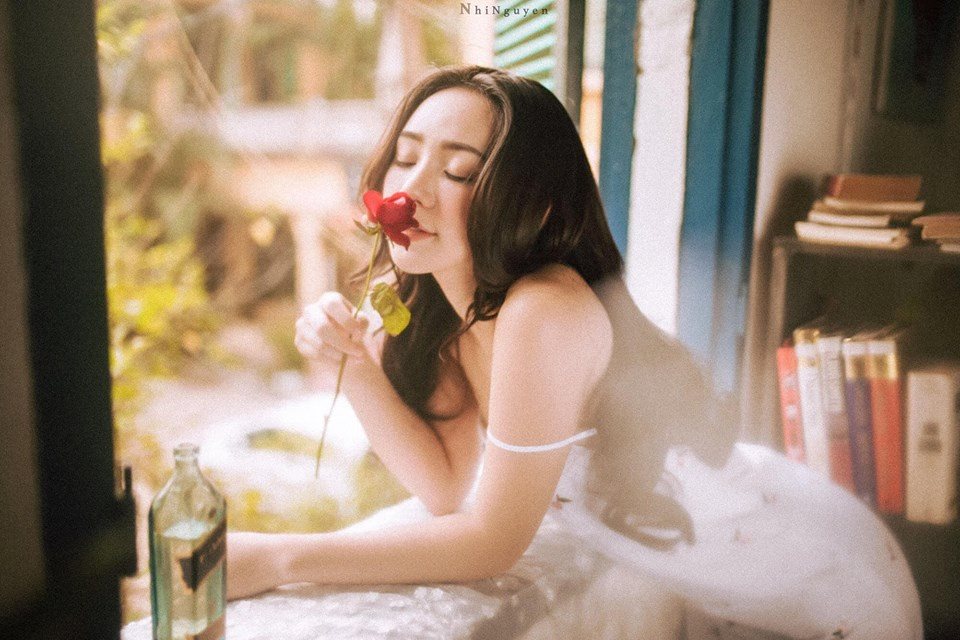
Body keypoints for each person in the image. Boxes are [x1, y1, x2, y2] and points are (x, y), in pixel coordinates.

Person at [226, 65, 921, 639]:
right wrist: (353, 368)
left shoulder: (544, 311)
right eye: (406, 157)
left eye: (459, 171)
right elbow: (445, 489)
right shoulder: (439, 313)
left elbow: (492, 542)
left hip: (819, 579)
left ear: (532, 206)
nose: (410, 189)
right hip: (721, 588)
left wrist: (276, 558)